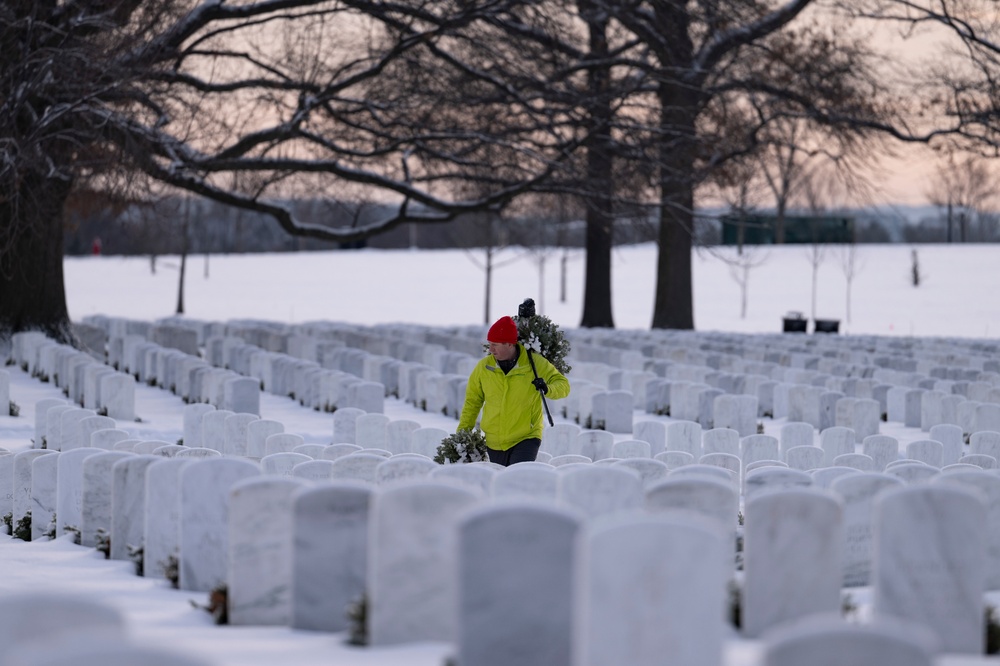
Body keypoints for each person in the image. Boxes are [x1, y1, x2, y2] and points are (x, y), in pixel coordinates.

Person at [458, 315, 570, 466]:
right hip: (494, 441)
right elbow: (472, 402)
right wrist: (461, 435)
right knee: (501, 484)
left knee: (516, 477)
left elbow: (563, 385)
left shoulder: (534, 363)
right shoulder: (483, 367)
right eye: (489, 344)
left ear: (510, 344)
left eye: (495, 345)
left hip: (526, 437)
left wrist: (547, 388)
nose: (490, 349)